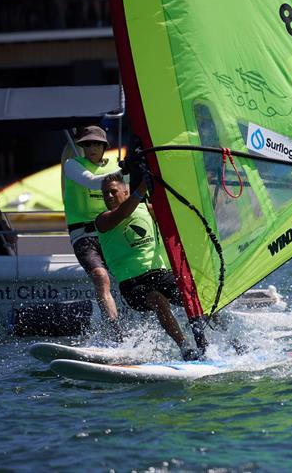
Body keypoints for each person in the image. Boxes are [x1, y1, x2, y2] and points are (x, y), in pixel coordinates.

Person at [96, 175, 200, 361]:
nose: (109, 196)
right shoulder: (103, 220)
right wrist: (142, 187)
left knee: (194, 295)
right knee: (157, 299)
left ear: (125, 192)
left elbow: (175, 216)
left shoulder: (148, 209)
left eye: (113, 191)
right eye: (106, 193)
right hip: (132, 283)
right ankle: (185, 348)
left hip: (160, 274)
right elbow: (123, 213)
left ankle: (226, 338)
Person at [62, 126, 122, 340]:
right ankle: (116, 335)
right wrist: (127, 172)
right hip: (83, 234)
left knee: (133, 281)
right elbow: (92, 181)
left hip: (113, 231)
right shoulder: (73, 166)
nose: (92, 148)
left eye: (96, 143)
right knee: (100, 276)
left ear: (104, 146)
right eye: (87, 144)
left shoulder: (115, 165)